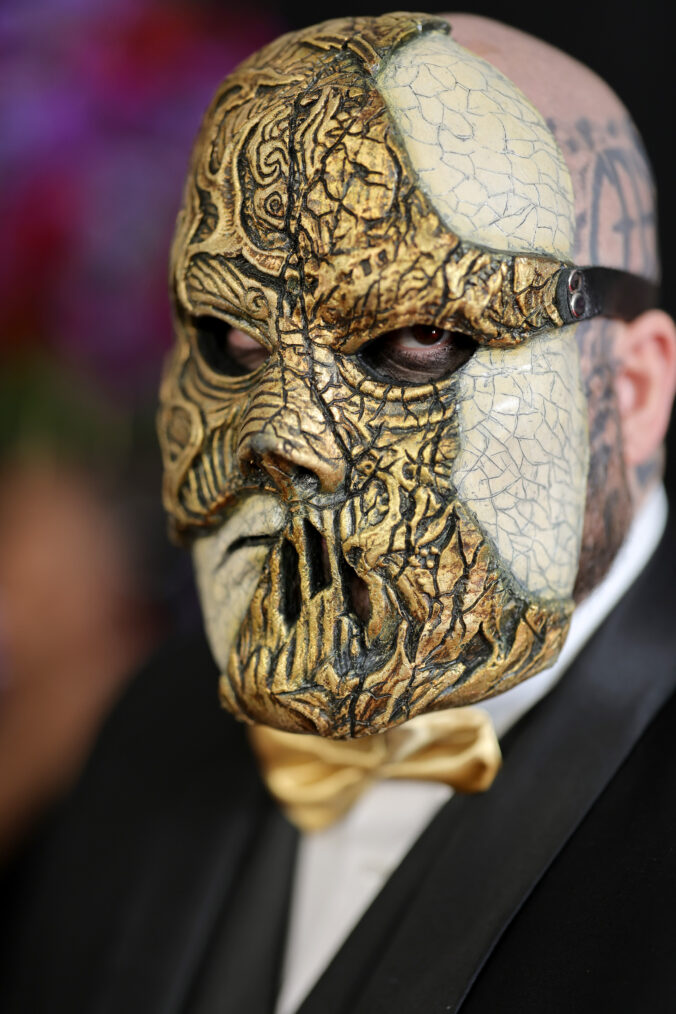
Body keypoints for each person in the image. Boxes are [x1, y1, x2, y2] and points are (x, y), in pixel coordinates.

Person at [1, 12, 675, 1013]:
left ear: (628, 389)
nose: (282, 432)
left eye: (414, 340)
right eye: (232, 337)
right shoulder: (154, 728)